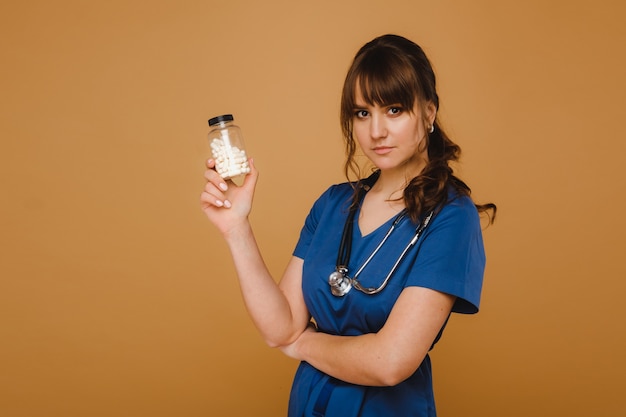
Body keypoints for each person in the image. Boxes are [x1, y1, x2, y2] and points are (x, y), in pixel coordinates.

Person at [200, 34, 496, 417]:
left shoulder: (452, 217)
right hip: (310, 404)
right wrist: (236, 228)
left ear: (429, 112)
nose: (376, 132)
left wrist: (302, 345)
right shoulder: (334, 204)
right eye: (362, 113)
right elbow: (281, 326)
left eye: (394, 110)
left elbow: (390, 362)